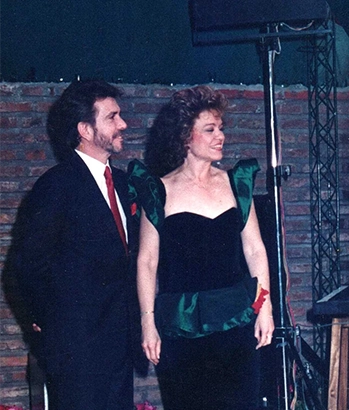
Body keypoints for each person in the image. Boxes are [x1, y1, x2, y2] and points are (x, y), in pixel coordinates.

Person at [133, 85, 274, 410]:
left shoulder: (236, 184)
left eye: (221, 128)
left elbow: (255, 251)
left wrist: (264, 309)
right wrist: (147, 323)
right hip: (181, 329)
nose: (220, 136)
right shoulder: (158, 191)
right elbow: (147, 261)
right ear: (186, 137)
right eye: (210, 129)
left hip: (235, 323)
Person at [13, 79, 138, 409]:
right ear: (85, 129)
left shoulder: (125, 184)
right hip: (77, 352)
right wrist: (54, 324)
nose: (123, 124)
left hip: (121, 345)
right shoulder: (56, 186)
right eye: (112, 117)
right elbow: (27, 265)